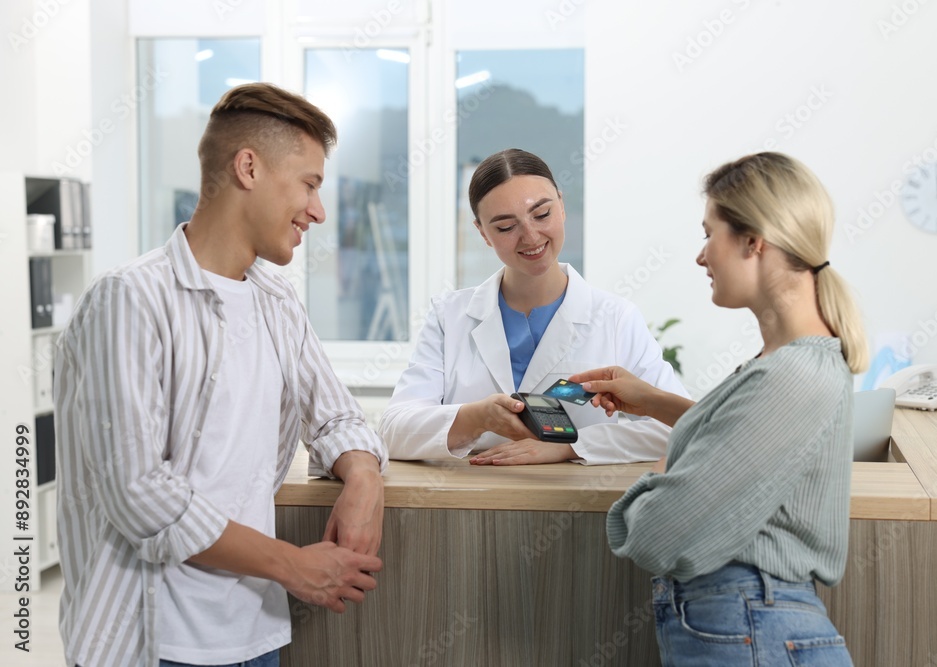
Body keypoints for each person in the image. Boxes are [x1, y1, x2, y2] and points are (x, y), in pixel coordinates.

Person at [53, 83, 387, 667]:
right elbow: (139, 494)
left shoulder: (275, 300)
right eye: (308, 183)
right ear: (249, 167)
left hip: (254, 637)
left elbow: (336, 414)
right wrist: (293, 565)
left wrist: (364, 478)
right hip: (149, 642)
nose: (318, 209)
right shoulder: (129, 300)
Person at [571, 152, 866, 665]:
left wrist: (664, 470)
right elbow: (742, 441)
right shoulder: (788, 364)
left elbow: (655, 534)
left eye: (710, 233)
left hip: (753, 629)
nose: (701, 256)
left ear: (755, 241)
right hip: (754, 626)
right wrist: (656, 403)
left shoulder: (791, 376)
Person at [378, 148, 689, 466]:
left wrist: (573, 446)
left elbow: (679, 427)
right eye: (504, 227)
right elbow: (393, 431)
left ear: (562, 206)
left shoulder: (616, 318)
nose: (530, 236)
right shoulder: (449, 316)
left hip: (573, 508)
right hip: (466, 504)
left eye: (542, 215)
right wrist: (476, 417)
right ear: (483, 233)